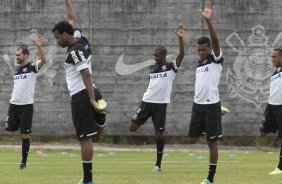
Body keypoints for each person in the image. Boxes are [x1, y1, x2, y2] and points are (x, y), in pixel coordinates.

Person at [52, 0, 106, 183]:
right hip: (94, 92)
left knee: (85, 140)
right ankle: (101, 116)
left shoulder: (73, 52)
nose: (57, 41)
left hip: (82, 96)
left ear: (66, 34)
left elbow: (86, 75)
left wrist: (91, 99)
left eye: (57, 37)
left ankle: (87, 180)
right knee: (94, 138)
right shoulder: (81, 39)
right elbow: (72, 18)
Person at [129, 23, 185, 173]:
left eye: (157, 54)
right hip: (147, 102)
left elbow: (182, 55)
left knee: (159, 134)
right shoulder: (152, 68)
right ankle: (147, 120)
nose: (154, 56)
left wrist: (180, 39)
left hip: (160, 105)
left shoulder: (172, 67)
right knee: (132, 127)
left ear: (164, 55)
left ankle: (158, 166)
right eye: (154, 54)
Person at [187, 1, 223, 184]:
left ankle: (210, 179)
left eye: (204, 49)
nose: (201, 52)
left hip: (211, 105)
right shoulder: (199, 64)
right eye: (199, 50)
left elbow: (216, 42)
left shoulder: (216, 59)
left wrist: (209, 21)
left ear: (209, 49)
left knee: (211, 143)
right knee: (192, 138)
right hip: (197, 105)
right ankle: (218, 115)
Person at [5, 34, 46, 170]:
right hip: (13, 105)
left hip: (26, 107)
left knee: (24, 135)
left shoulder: (32, 67)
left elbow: (43, 61)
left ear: (26, 56)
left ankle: (23, 163)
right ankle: (18, 125)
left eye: (18, 55)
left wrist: (39, 47)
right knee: (10, 132)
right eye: (16, 55)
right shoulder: (17, 71)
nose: (16, 57)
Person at [260, 48, 282, 175]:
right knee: (263, 132)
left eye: (275, 57)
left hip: (281, 107)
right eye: (272, 57)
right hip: (271, 106)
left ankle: (280, 167)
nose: (272, 59)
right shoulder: (275, 73)